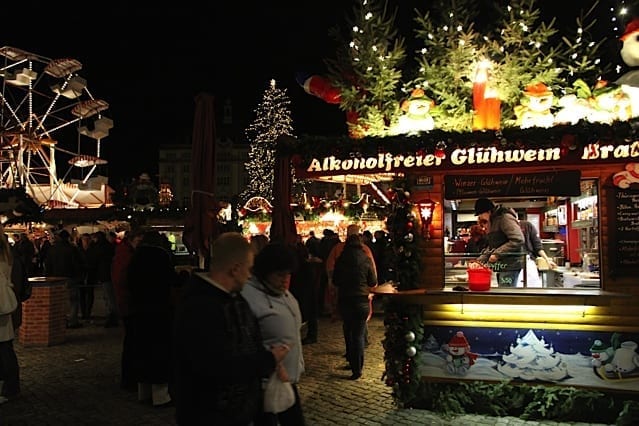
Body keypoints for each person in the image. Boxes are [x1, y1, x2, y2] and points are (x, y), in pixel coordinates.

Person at [172, 232, 290, 425]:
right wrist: (268, 360)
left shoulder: (233, 298)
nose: (250, 275)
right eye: (248, 268)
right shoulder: (200, 307)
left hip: (236, 411)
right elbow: (215, 367)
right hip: (211, 415)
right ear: (235, 269)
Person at [242, 242, 306, 425]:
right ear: (265, 273)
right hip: (265, 382)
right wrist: (269, 361)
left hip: (287, 379)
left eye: (288, 274)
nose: (285, 279)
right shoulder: (248, 297)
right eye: (280, 274)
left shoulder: (284, 293)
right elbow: (246, 341)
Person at [127, 230, 180, 407]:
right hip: (158, 310)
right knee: (159, 351)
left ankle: (143, 392)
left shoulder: (136, 257)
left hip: (139, 310)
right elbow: (171, 279)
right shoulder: (161, 256)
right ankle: (160, 396)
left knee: (142, 350)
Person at [332, 233, 377, 380]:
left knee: (348, 331)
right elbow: (372, 281)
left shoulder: (341, 259)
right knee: (358, 334)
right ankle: (357, 369)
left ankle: (352, 362)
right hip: (361, 300)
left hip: (345, 299)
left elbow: (335, 280)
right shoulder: (366, 259)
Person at [111, 228, 144, 392]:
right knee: (132, 341)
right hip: (129, 304)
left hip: (126, 302)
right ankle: (130, 379)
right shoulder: (126, 255)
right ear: (132, 239)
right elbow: (124, 280)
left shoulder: (124, 253)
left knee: (131, 341)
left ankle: (130, 378)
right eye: (138, 241)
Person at [471, 198, 525, 288]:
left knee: (505, 292)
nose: (480, 217)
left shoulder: (505, 218)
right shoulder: (493, 220)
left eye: (480, 214)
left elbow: (518, 239)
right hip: (502, 266)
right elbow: (493, 245)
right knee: (502, 291)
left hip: (510, 266)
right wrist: (480, 261)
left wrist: (497, 254)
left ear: (488, 211)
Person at [45, 229, 83, 328]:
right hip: (70, 277)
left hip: (56, 278)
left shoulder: (52, 249)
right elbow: (77, 264)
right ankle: (72, 321)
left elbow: (48, 264)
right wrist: (78, 276)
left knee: (59, 300)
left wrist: (48, 276)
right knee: (73, 300)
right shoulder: (72, 249)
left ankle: (61, 320)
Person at [0, 229, 21, 404]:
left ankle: (10, 388)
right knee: (6, 348)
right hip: (4, 307)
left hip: (1, 307)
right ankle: (11, 387)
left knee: (5, 351)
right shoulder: (6, 252)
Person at [87, 231, 117, 327]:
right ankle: (112, 315)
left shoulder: (98, 247)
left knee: (108, 296)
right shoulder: (109, 246)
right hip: (109, 273)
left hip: (104, 274)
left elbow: (93, 260)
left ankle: (112, 316)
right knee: (109, 295)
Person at [518, 218, 557, 287]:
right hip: (512, 264)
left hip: (528, 263)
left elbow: (538, 246)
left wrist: (547, 260)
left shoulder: (527, 225)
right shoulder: (505, 226)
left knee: (533, 288)